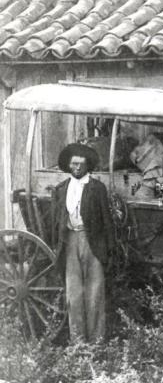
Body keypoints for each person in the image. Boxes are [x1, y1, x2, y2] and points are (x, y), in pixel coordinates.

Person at [52, 143, 115, 342]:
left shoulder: (97, 188)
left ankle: (96, 342)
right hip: (70, 242)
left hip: (92, 242)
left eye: (81, 164)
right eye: (73, 164)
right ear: (68, 166)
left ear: (88, 165)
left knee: (94, 292)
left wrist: (110, 249)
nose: (77, 167)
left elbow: (107, 220)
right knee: (74, 295)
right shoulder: (61, 189)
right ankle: (78, 343)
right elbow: (56, 220)